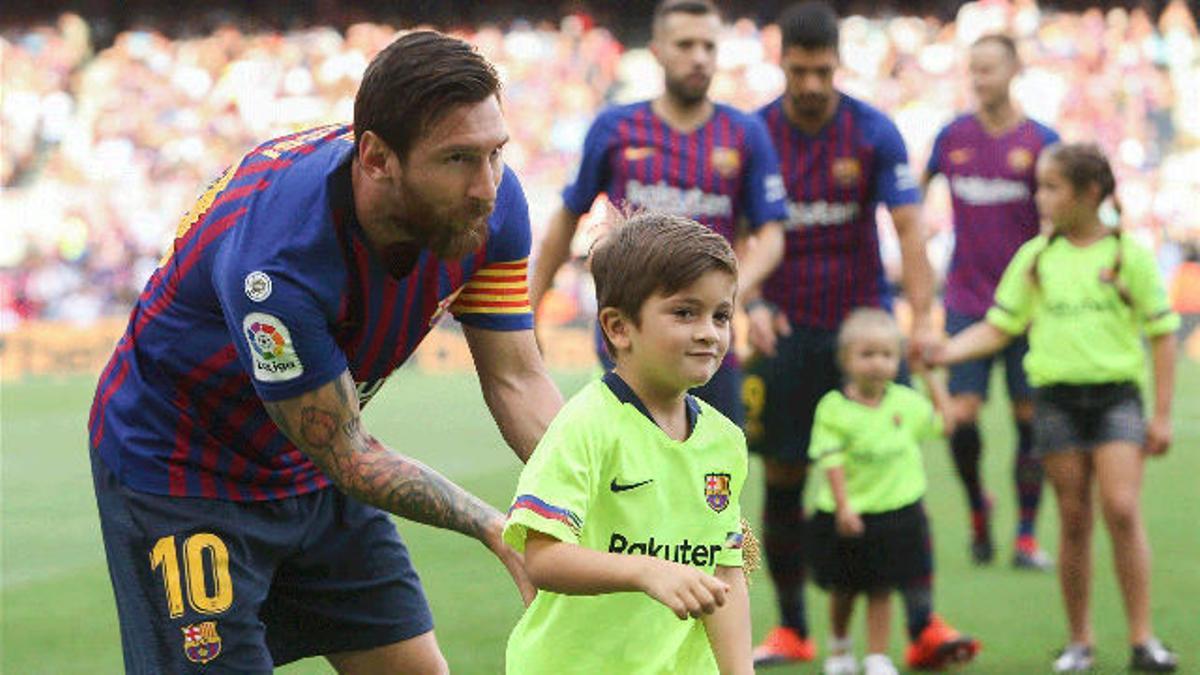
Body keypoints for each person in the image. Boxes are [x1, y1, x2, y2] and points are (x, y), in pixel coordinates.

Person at [88, 31, 564, 674]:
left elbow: (517, 380)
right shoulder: (276, 262)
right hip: (182, 474)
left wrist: (598, 499)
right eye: (457, 159)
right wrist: (495, 525)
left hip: (308, 462)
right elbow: (349, 454)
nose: (486, 186)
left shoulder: (491, 208)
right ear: (375, 159)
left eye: (495, 153)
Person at [930, 143, 1180, 673]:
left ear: (1090, 193)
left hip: (1116, 398)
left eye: (1051, 187)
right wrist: (945, 350)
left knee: (1122, 508)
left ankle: (1142, 638)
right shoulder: (1037, 257)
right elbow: (999, 327)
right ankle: (1079, 642)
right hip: (1057, 402)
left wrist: (1161, 415)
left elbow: (1162, 335)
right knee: (1072, 518)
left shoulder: (1126, 255)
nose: (1039, 197)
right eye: (1038, 185)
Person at [745, 2, 939, 666]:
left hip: (866, 332)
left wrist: (923, 319)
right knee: (783, 477)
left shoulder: (873, 131)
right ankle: (793, 627)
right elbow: (740, 231)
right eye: (798, 71)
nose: (809, 84)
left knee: (898, 473)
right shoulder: (755, 132)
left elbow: (909, 229)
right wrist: (752, 303)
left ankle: (923, 626)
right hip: (786, 332)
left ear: (839, 63)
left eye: (822, 70)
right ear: (781, 62)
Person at [504, 213, 752, 674]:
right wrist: (644, 570)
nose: (708, 331)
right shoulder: (586, 425)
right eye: (685, 312)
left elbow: (725, 573)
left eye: (721, 315)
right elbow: (542, 557)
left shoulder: (726, 440)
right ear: (619, 328)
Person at [529, 0, 788, 426]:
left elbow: (772, 236)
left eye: (708, 46)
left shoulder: (745, 133)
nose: (699, 57)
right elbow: (566, 216)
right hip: (629, 348)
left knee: (716, 486)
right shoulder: (614, 127)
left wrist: (724, 294)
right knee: (626, 483)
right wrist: (531, 308)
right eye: (685, 44)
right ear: (657, 51)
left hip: (709, 353)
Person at [922, 34, 1060, 569]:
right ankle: (979, 507)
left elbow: (1059, 215)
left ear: (1014, 70)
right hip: (966, 298)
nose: (979, 78)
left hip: (1026, 305)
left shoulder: (1041, 140)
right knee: (961, 416)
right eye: (972, 69)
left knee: (1030, 417)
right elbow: (913, 192)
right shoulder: (952, 136)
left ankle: (1025, 534)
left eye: (988, 68)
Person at [808, 309, 979, 675]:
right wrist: (844, 507)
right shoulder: (833, 408)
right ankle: (839, 649)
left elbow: (947, 424)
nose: (877, 364)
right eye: (866, 354)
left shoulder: (906, 401)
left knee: (882, 587)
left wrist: (930, 377)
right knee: (845, 589)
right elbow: (831, 461)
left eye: (886, 355)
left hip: (897, 513)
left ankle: (876, 655)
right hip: (848, 513)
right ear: (845, 359)